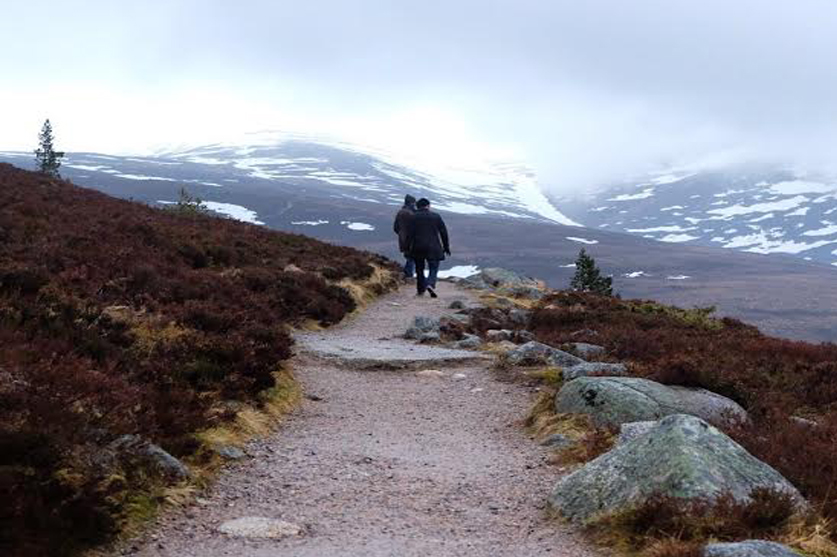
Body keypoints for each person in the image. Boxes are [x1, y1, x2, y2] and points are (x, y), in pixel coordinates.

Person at [406, 197, 450, 298]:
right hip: (433, 246)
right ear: (428, 206)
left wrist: (407, 248)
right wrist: (446, 246)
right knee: (433, 267)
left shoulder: (413, 217)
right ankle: (430, 283)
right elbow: (443, 232)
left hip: (418, 247)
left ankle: (421, 290)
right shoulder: (436, 216)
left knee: (419, 269)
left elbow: (409, 234)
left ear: (417, 206)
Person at [393, 194, 416, 279]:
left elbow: (395, 227)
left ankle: (407, 273)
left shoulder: (400, 212)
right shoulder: (411, 213)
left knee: (409, 256)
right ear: (412, 203)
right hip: (411, 238)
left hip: (402, 238)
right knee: (412, 257)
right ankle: (409, 275)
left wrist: (401, 234)